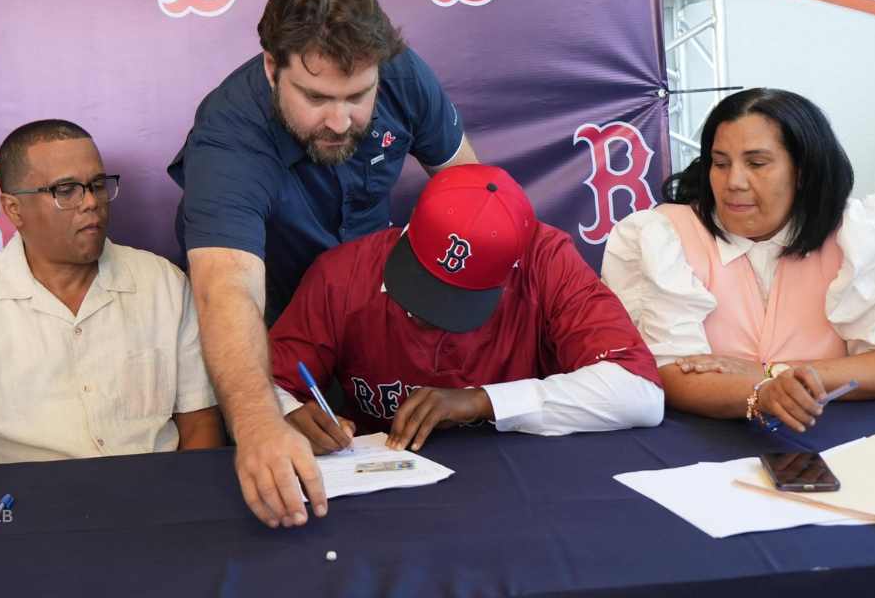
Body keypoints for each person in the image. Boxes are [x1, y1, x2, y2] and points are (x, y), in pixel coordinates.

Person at [166, 0, 477, 528]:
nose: (339, 121)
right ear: (271, 67)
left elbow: (467, 193)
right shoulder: (227, 135)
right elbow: (226, 292)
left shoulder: (401, 73)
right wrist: (264, 419)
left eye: (358, 96)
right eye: (314, 97)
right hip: (276, 333)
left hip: (375, 310)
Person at [0, 120, 222, 541]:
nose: (91, 202)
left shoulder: (163, 283)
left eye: (97, 184)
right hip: (13, 525)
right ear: (13, 209)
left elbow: (200, 423)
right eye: (66, 190)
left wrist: (186, 511)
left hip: (152, 514)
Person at [601, 88, 875, 433]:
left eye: (757, 163)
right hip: (706, 443)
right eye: (720, 163)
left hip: (843, 440)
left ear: (803, 172)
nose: (734, 182)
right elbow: (672, 374)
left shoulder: (857, 234)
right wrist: (762, 394)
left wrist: (773, 372)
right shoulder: (665, 235)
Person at [269, 164, 663, 455]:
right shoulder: (343, 273)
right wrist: (288, 415)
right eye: (420, 287)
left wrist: (482, 400)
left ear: (512, 269)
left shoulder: (545, 261)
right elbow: (266, 384)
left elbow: (640, 393)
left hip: (520, 482)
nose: (429, 314)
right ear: (409, 235)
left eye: (456, 300)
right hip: (385, 483)